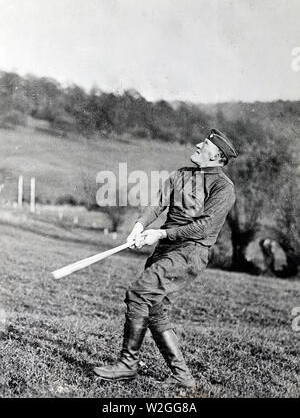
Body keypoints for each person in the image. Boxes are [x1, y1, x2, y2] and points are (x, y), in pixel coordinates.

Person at [93, 128, 238, 389]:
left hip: (190, 252)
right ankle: (182, 377)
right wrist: (140, 225)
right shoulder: (181, 174)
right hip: (166, 251)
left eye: (203, 144)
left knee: (139, 294)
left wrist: (160, 232)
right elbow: (158, 204)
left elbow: (202, 228)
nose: (196, 144)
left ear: (216, 156)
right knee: (155, 308)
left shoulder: (223, 188)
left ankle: (127, 365)